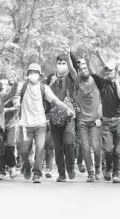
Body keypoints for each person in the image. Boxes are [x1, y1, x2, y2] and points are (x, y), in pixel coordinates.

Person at [16, 63, 75, 183]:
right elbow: (16, 97)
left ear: (39, 75)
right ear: (28, 74)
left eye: (35, 72)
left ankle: (37, 173)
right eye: (31, 72)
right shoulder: (22, 86)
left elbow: (55, 100)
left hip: (40, 124)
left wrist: (67, 109)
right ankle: (27, 166)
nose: (33, 74)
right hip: (25, 125)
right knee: (24, 150)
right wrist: (16, 102)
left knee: (40, 148)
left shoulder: (44, 88)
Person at [86, 52, 120, 183]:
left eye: (110, 71)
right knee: (108, 149)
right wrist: (89, 60)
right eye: (107, 72)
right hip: (106, 122)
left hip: (119, 120)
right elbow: (92, 72)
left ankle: (116, 173)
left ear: (115, 72)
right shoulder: (102, 83)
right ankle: (108, 168)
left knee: (118, 150)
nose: (108, 73)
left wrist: (116, 84)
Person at [65, 52, 103, 182]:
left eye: (85, 68)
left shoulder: (96, 81)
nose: (83, 70)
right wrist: (67, 55)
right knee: (85, 148)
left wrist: (99, 117)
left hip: (95, 121)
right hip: (82, 121)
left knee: (97, 147)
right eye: (80, 69)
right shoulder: (78, 81)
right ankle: (91, 173)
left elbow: (101, 102)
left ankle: (98, 167)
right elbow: (70, 69)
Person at [46, 54, 78, 182]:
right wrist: (51, 83)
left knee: (69, 143)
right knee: (58, 147)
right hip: (54, 117)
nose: (61, 65)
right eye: (59, 62)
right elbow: (44, 93)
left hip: (69, 116)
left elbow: (73, 70)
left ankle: (70, 168)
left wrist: (69, 54)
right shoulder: (51, 78)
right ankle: (61, 174)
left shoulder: (70, 76)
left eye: (64, 62)